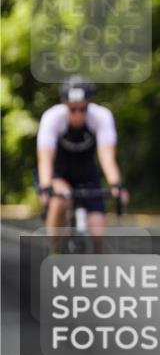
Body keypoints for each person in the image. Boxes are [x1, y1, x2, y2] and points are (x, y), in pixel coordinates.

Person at [36, 75, 128, 252]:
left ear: (89, 103)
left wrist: (116, 184)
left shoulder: (101, 116)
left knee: (98, 231)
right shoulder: (52, 118)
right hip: (59, 173)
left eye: (82, 109)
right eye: (72, 109)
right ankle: (54, 253)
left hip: (86, 173)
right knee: (61, 200)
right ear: (64, 104)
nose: (78, 114)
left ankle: (98, 270)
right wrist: (46, 187)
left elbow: (107, 156)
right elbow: (45, 158)